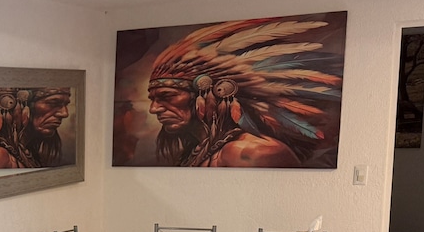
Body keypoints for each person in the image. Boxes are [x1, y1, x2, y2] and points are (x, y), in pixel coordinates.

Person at [145, 17, 343, 167]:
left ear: (212, 93)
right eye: (153, 99)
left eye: (167, 96)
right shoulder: (196, 151)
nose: (153, 109)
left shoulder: (254, 152)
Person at [0, 87, 71, 169]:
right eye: (53, 103)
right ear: (21, 105)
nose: (65, 113)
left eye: (66, 105)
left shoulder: (31, 154)